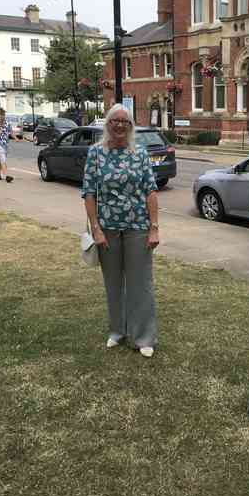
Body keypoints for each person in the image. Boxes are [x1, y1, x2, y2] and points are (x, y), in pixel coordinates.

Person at [82, 104, 160, 358]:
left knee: (141, 284)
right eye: (114, 121)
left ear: (130, 126)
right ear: (107, 124)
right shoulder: (95, 153)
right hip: (107, 229)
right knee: (113, 283)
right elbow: (89, 193)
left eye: (124, 122)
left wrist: (154, 228)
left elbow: (150, 191)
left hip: (138, 227)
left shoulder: (140, 154)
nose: (119, 125)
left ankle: (144, 336)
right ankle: (118, 331)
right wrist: (96, 228)